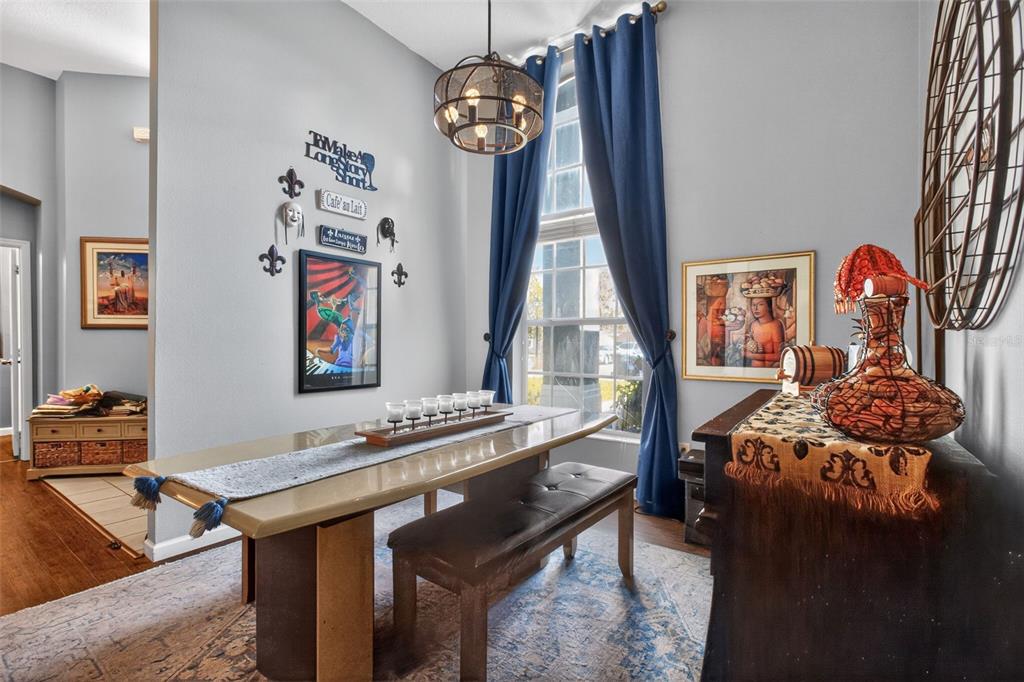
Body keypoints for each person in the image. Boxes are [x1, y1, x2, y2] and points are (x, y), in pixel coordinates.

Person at [743, 297, 784, 367]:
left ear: (769, 307)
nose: (755, 308)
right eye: (753, 305)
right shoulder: (753, 325)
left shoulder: (775, 326)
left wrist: (751, 355)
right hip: (752, 370)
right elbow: (748, 346)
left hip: (768, 370)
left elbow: (779, 356)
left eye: (760, 304)